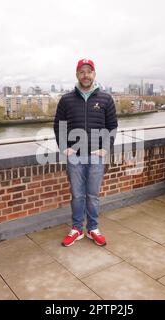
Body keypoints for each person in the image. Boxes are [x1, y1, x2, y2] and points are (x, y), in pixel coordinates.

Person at [53, 58, 118, 247]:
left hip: (96, 156)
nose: (85, 75)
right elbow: (59, 125)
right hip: (75, 156)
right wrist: (64, 147)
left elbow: (112, 126)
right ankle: (77, 229)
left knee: (93, 195)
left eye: (89, 71)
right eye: (82, 71)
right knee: (77, 195)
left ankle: (93, 228)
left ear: (94, 74)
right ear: (77, 75)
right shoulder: (66, 99)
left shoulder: (105, 99)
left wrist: (105, 148)